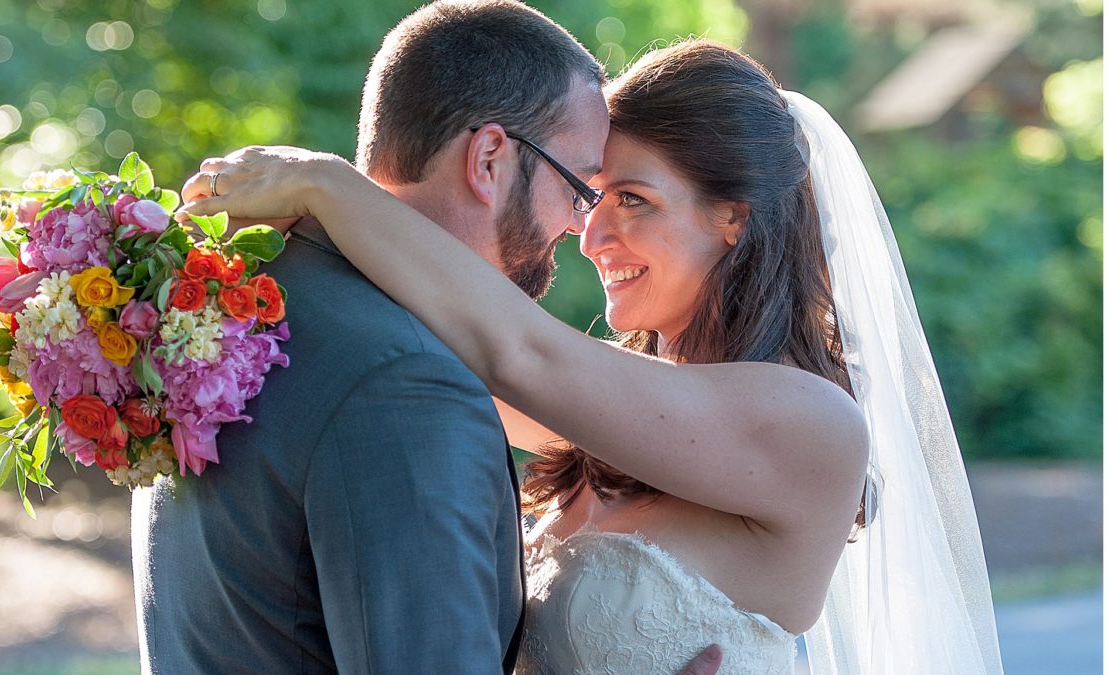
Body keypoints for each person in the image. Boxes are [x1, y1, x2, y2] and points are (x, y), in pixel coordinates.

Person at [182, 35, 1004, 675]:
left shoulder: (812, 424)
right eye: (591, 196)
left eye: (634, 201)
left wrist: (325, 183)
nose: (591, 234)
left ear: (734, 219)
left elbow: (515, 349)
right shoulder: (607, 422)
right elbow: (425, 346)